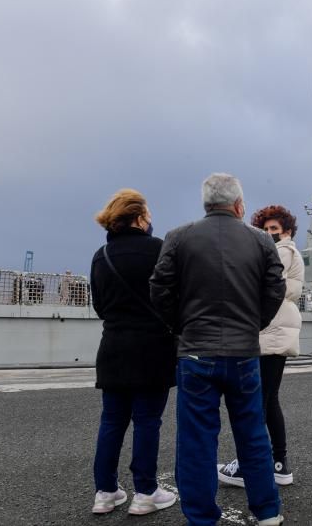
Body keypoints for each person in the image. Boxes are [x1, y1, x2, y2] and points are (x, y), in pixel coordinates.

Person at [150, 173, 286, 526]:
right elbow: (275, 289)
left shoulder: (178, 237)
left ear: (206, 204)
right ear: (239, 205)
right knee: (253, 433)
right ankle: (268, 512)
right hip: (244, 353)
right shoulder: (261, 240)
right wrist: (252, 325)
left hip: (195, 352)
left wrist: (182, 327)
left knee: (196, 441)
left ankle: (201, 518)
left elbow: (159, 289)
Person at [89, 189, 177, 515]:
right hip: (153, 350)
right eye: (148, 214)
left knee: (111, 422)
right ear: (139, 218)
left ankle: (105, 491)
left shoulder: (101, 255)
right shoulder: (159, 249)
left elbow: (100, 305)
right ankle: (145, 492)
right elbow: (173, 298)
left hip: (112, 349)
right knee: (147, 422)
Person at [218, 205, 305, 487]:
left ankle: (250, 465)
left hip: (271, 331)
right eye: (265, 230)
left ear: (287, 232)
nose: (269, 235)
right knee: (269, 400)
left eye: (274, 230)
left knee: (255, 403)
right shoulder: (287, 251)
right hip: (277, 331)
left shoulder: (282, 250)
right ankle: (279, 464)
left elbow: (257, 279)